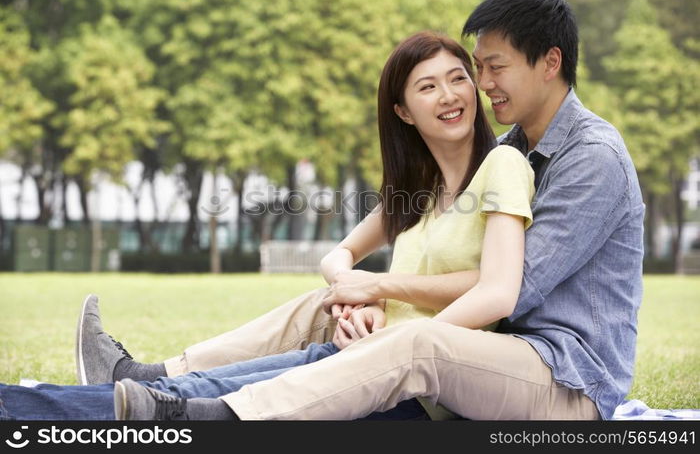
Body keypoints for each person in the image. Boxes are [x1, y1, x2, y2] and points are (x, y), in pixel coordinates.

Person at [109, 0, 644, 421]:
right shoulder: (512, 150)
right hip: (498, 354)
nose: (481, 86)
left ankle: (220, 418)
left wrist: (383, 301)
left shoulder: (592, 157)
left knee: (412, 343)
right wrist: (366, 300)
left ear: (550, 63)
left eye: (492, 68)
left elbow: (510, 288)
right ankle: (166, 381)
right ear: (403, 112)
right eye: (477, 68)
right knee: (348, 317)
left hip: (567, 381)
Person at [0, 30, 534, 421]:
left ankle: (33, 403)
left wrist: (377, 290)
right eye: (428, 87)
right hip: (362, 354)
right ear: (402, 112)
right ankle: (50, 398)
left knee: (195, 403)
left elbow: (496, 285)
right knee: (199, 391)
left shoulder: (502, 166)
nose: (449, 95)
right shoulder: (415, 192)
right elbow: (338, 258)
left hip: (402, 380)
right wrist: (357, 296)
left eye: (458, 78)